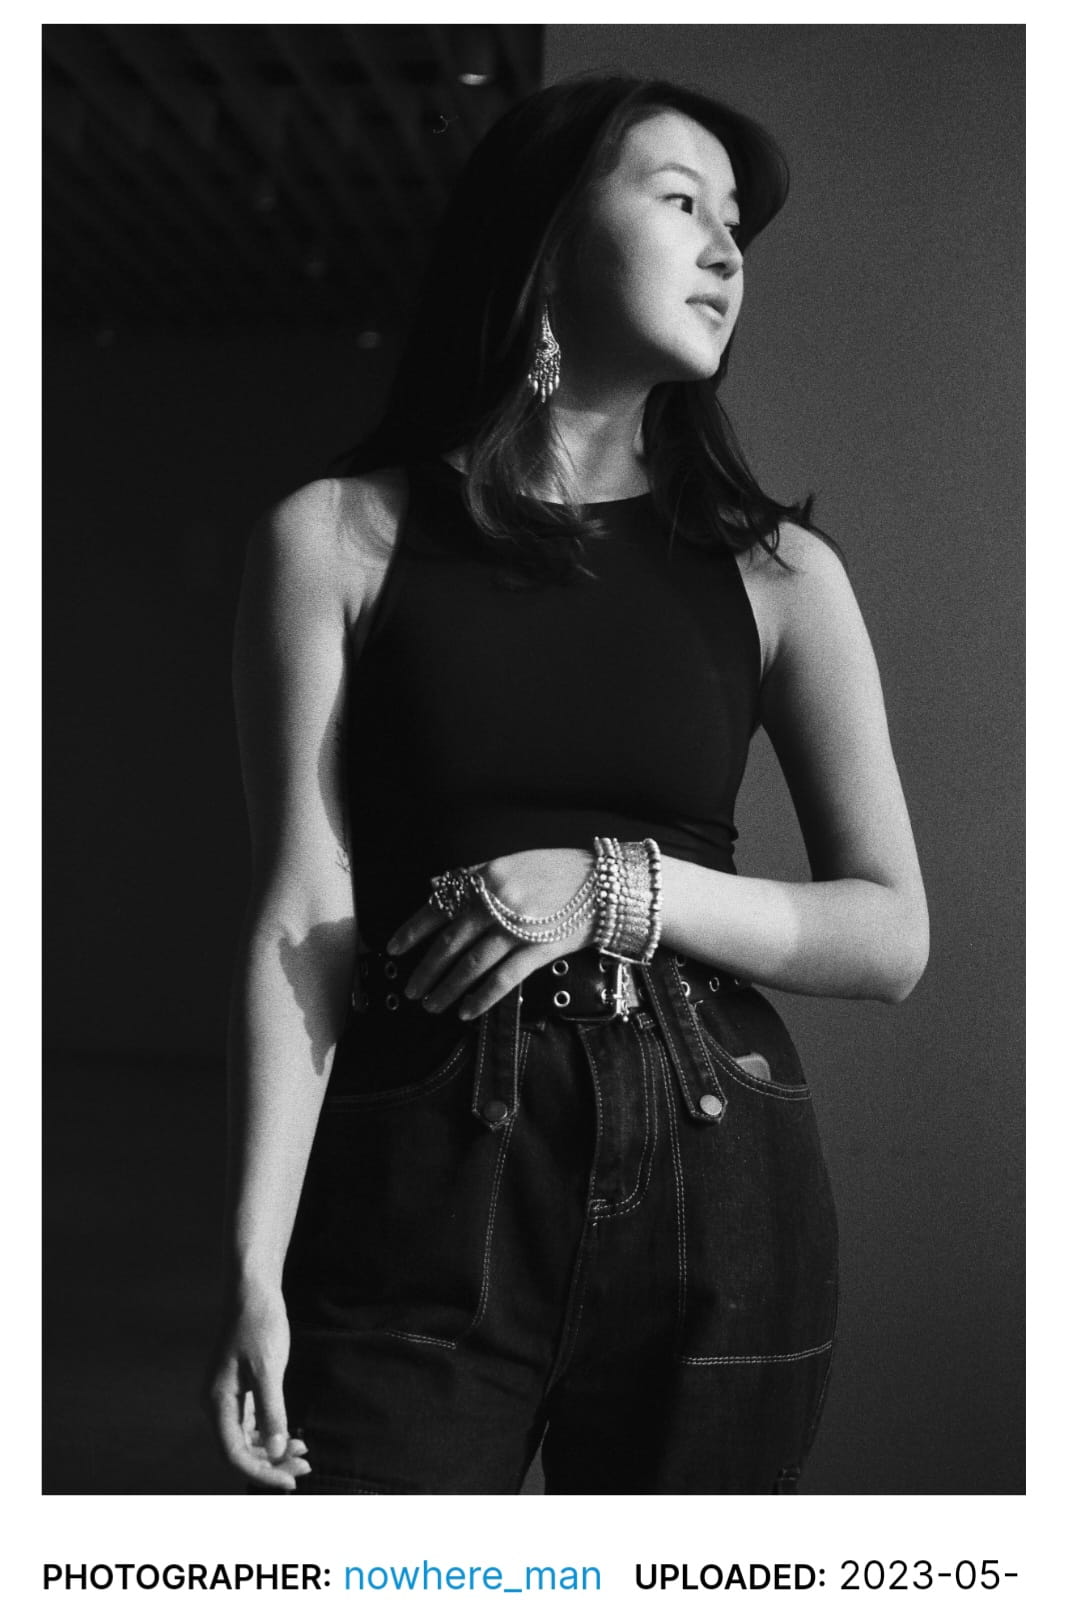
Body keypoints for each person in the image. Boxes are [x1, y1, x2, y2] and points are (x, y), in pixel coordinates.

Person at [205, 74, 929, 1496]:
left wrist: (615, 888)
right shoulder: (334, 538)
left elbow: (891, 934)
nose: (726, 251)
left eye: (737, 227)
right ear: (545, 235)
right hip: (418, 1171)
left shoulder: (778, 573)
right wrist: (252, 1263)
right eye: (680, 202)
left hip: (717, 1167)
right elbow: (301, 920)